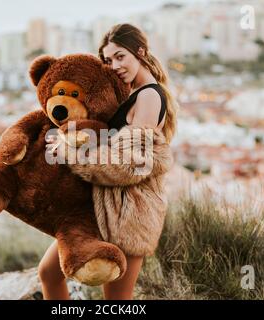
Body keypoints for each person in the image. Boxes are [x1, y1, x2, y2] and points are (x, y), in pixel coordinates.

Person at [41, 23, 178, 300]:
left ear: (140, 52)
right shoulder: (132, 94)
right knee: (49, 273)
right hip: (104, 208)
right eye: (107, 60)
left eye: (120, 56)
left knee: (116, 301)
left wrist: (71, 154)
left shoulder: (150, 95)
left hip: (129, 214)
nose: (114, 65)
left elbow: (131, 163)